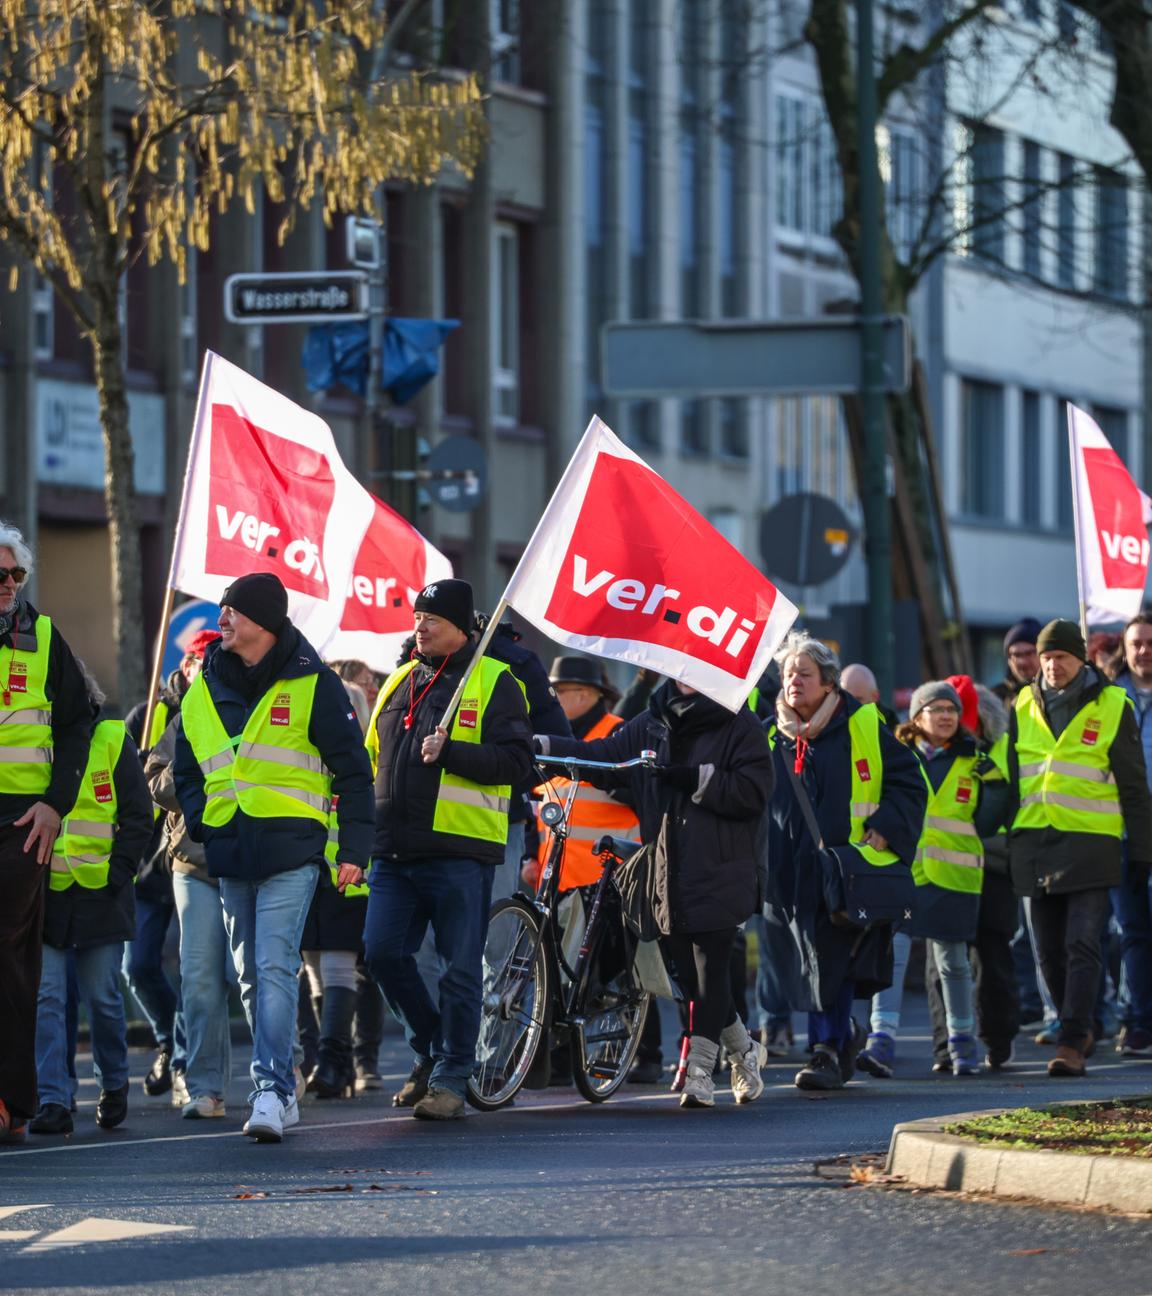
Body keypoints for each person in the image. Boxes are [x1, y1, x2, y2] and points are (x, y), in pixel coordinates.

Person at [173, 572, 373, 1142]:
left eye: (233, 611)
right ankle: (282, 1083)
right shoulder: (204, 684)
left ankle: (270, 1090)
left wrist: (353, 849)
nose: (223, 620)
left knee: (275, 966)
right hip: (230, 852)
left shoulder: (315, 683)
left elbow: (354, 773)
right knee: (251, 976)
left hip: (293, 851)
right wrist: (203, 821)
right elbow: (188, 766)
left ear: (264, 620)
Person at [538, 675, 775, 1109]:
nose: (685, 674)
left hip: (725, 866)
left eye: (694, 667)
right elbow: (602, 754)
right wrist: (547, 748)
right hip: (668, 866)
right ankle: (744, 1052)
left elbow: (753, 791)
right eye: (679, 666)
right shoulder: (653, 719)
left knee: (710, 967)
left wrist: (693, 778)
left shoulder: (739, 723)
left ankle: (700, 1073)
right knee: (686, 972)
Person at [362, 580, 533, 1121]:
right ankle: (431, 1048)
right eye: (417, 617)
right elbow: (371, 763)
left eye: (431, 618)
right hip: (394, 851)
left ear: (463, 629)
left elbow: (517, 764)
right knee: (382, 953)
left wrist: (454, 752)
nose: (420, 626)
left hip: (461, 848)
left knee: (460, 970)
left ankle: (451, 1079)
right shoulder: (396, 684)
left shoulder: (496, 681)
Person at [764, 632, 927, 1092]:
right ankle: (845, 1036)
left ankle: (827, 1050)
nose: (794, 680)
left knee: (829, 962)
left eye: (805, 673)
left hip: (843, 871)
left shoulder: (860, 722)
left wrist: (886, 827)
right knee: (800, 964)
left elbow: (910, 781)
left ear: (829, 684)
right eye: (788, 673)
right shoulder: (770, 731)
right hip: (787, 873)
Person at [1006, 618, 1152, 1076]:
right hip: (1034, 841)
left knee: (1082, 942)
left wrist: (1143, 851)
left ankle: (1072, 1039)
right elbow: (1014, 776)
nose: (1051, 666)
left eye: (1060, 658)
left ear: (1081, 658)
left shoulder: (1113, 703)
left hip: (1093, 843)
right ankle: (1079, 1025)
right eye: (1046, 658)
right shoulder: (1024, 702)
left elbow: (1133, 786)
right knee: (1047, 949)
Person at [857, 680, 1007, 1079]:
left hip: (956, 877)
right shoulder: (899, 754)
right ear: (917, 715)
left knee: (954, 964)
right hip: (904, 872)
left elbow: (994, 812)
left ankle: (962, 1045)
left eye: (952, 710)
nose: (945, 717)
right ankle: (881, 1041)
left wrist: (992, 793)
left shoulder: (976, 759)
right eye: (936, 709)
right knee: (893, 955)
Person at [30, 666, 153, 1135]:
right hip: (46, 897)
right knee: (49, 999)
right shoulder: (31, 742)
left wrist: (119, 873)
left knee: (102, 998)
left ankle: (113, 1084)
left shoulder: (112, 739)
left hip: (102, 894)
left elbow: (139, 816)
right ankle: (53, 1099)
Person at [0, 521, 91, 1144]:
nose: (9, 585)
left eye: (16, 575)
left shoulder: (44, 636)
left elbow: (79, 723)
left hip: (20, 824)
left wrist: (56, 804)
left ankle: (11, 1101)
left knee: (8, 959)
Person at [146, 630, 241, 1120]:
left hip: (251, 863)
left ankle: (283, 1074)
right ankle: (205, 1087)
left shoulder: (257, 709)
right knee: (200, 978)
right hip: (193, 863)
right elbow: (156, 778)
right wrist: (197, 784)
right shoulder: (185, 717)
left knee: (249, 975)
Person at [124, 628, 219, 1105]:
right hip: (147, 865)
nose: (205, 669)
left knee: (196, 967)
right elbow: (131, 785)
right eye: (199, 661)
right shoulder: (147, 716)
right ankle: (167, 1037)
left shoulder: (220, 710)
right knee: (137, 965)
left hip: (190, 857)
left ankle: (185, 1062)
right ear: (185, 667)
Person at [922, 683, 1020, 1071]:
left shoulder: (997, 747)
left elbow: (1001, 806)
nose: (952, 720)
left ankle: (997, 1038)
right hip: (949, 869)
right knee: (942, 962)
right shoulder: (940, 753)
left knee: (991, 953)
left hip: (993, 866)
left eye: (960, 712)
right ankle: (946, 1045)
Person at [1103, 614, 1152, 1058]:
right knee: (1131, 931)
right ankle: (1138, 1022)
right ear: (1125, 646)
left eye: (1150, 643)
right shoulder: (1107, 697)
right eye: (1136, 643)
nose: (1143, 651)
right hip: (1119, 831)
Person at [993, 618, 1042, 705]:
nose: (1022, 662)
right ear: (1008, 659)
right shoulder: (995, 698)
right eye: (1016, 655)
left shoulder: (1054, 694)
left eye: (1029, 653)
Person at [840, 662, 897, 728]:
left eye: (858, 700)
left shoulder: (891, 730)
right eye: (846, 698)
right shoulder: (831, 723)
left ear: (875, 697)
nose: (851, 705)